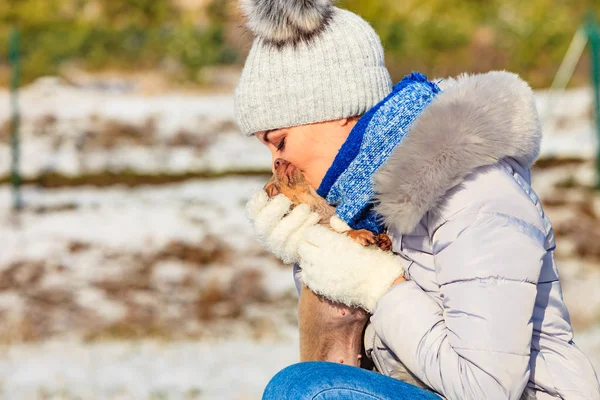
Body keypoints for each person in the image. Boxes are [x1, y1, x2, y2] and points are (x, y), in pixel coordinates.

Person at [234, 1, 600, 399]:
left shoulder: (474, 193)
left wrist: (375, 283)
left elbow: (488, 387)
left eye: (280, 142)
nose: (277, 164)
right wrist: (316, 249)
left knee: (306, 390)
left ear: (335, 109)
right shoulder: (363, 207)